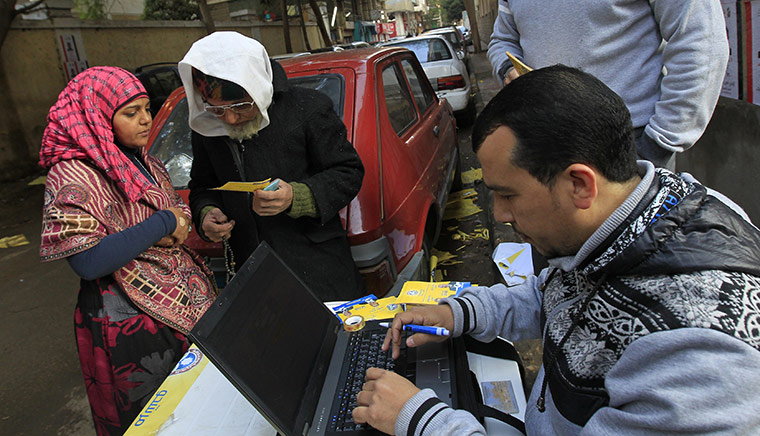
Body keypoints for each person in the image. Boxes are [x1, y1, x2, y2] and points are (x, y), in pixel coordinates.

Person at [352, 65, 760, 435]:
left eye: (508, 195)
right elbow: (553, 294)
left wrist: (419, 419)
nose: (500, 215)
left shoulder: (696, 357)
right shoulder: (636, 213)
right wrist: (458, 312)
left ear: (580, 184)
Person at [39, 66, 218, 435]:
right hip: (128, 324)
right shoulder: (72, 175)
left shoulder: (145, 162)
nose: (145, 120)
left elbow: (177, 212)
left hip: (184, 308)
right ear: (98, 115)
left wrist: (174, 222)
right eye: (130, 113)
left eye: (146, 109)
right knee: (155, 419)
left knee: (201, 412)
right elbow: (89, 260)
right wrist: (163, 225)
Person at [178, 31, 366, 301]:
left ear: (256, 87)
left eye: (240, 106)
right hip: (255, 277)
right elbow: (202, 186)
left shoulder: (308, 108)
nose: (229, 119)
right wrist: (206, 213)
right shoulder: (208, 128)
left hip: (318, 271)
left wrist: (297, 196)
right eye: (217, 109)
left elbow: (349, 172)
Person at [487, 0, 729, 171]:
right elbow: (502, 40)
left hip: (631, 141)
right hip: (543, 141)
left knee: (636, 243)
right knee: (558, 243)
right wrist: (507, 70)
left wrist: (659, 143)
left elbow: (702, 43)